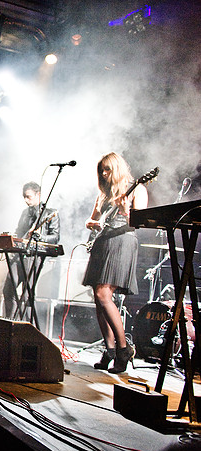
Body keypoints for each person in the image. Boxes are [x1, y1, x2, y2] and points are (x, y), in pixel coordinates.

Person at [83, 152, 147, 373]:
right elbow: (90, 220)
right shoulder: (103, 194)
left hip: (123, 241)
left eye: (107, 169)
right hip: (103, 242)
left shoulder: (137, 189)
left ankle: (123, 348)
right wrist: (94, 224)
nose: (104, 173)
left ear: (117, 168)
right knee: (98, 298)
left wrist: (125, 209)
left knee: (103, 294)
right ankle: (109, 349)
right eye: (101, 170)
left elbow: (139, 224)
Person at [2, 181, 60, 319]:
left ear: (38, 195)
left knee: (27, 294)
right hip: (19, 255)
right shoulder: (24, 213)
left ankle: (25, 325)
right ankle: (9, 321)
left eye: (29, 197)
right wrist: (11, 239)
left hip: (34, 256)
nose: (26, 200)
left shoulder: (50, 213)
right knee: (8, 289)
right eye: (24, 197)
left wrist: (40, 236)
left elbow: (56, 237)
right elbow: (19, 232)